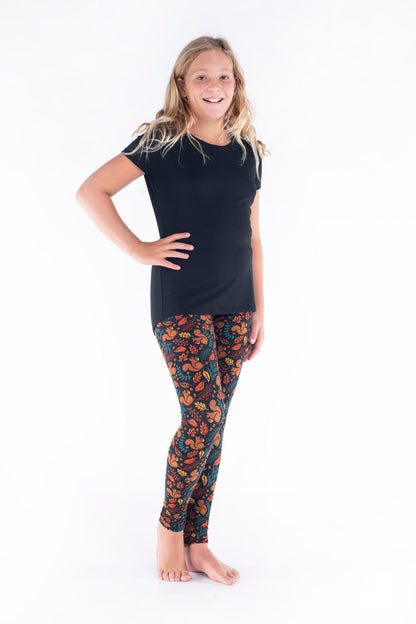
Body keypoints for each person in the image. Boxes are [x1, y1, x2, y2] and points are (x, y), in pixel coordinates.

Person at [75, 35, 268, 585]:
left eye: (224, 76)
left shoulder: (250, 150)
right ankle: (169, 531)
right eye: (202, 76)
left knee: (215, 423)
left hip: (236, 302)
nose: (215, 86)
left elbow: (253, 236)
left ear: (237, 84)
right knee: (202, 416)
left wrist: (259, 307)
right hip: (181, 300)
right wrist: (139, 249)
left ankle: (198, 541)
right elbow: (92, 191)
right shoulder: (161, 141)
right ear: (183, 86)